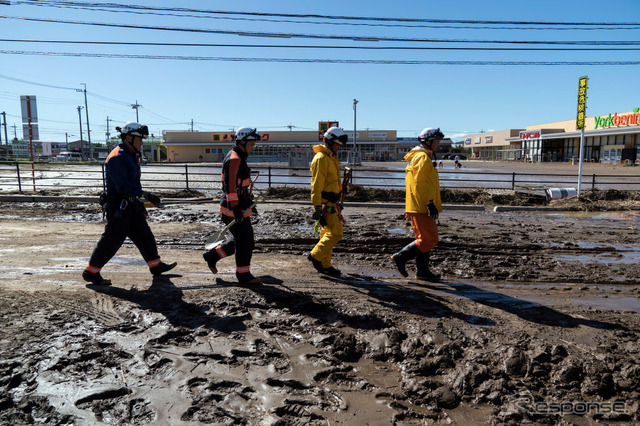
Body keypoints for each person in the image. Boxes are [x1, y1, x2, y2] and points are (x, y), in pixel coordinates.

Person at [83, 122, 177, 285]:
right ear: (128, 137)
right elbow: (123, 186)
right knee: (111, 240)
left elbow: (132, 184)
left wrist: (140, 197)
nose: (141, 142)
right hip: (119, 206)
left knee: (145, 235)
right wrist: (145, 194)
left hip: (131, 204)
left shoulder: (131, 153)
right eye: (139, 139)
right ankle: (91, 272)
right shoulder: (117, 157)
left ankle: (155, 265)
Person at [203, 127, 261, 285]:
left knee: (240, 240)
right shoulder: (235, 159)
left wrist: (248, 199)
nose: (253, 146)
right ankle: (243, 275)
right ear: (242, 141)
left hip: (240, 205)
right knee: (246, 241)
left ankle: (213, 256)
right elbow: (230, 187)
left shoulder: (239, 157)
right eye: (251, 143)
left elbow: (239, 185)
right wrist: (235, 208)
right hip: (232, 208)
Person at [390, 127, 444, 282]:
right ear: (428, 141)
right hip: (421, 206)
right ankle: (400, 257)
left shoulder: (420, 156)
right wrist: (429, 203)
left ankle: (422, 271)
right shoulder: (422, 158)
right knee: (430, 239)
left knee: (423, 238)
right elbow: (420, 184)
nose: (438, 144)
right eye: (436, 141)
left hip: (418, 205)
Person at [308, 126, 348, 277]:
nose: (339, 147)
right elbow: (316, 184)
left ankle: (325, 265)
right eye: (337, 144)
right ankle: (315, 256)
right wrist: (317, 207)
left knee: (326, 234)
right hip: (325, 204)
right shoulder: (322, 159)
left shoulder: (330, 157)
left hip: (331, 203)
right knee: (336, 233)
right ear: (330, 142)